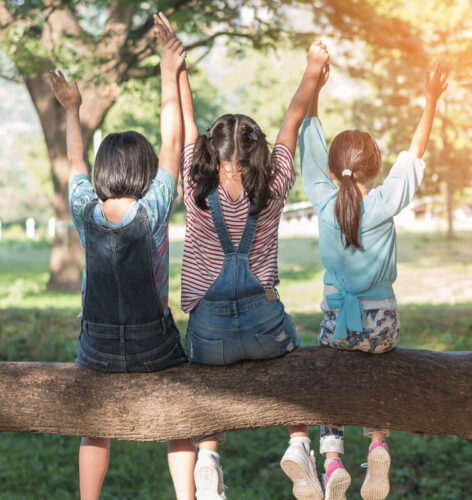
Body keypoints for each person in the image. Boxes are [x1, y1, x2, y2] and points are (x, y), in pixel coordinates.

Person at [153, 13, 329, 500]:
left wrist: (178, 64)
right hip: (265, 325)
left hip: (210, 331)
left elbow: (188, 123)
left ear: (212, 153)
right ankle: (297, 443)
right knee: (293, 360)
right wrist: (313, 70)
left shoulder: (195, 182)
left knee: (206, 383)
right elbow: (293, 118)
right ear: (257, 155)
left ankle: (208, 454)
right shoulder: (273, 185)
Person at [48, 31, 194, 500]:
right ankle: (187, 496)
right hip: (155, 347)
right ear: (148, 171)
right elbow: (173, 138)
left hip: (98, 350)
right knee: (182, 417)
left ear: (102, 170)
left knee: (94, 428)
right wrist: (166, 73)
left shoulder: (84, 208)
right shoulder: (154, 208)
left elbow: (73, 159)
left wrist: (72, 109)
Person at [297, 62, 449, 500]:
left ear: (332, 170)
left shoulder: (325, 202)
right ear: (375, 168)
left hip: (336, 328)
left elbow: (310, 141)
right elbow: (415, 153)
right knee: (377, 367)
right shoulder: (383, 202)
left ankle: (332, 460)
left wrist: (315, 89)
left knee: (329, 379)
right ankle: (378, 441)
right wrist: (431, 100)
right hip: (383, 326)